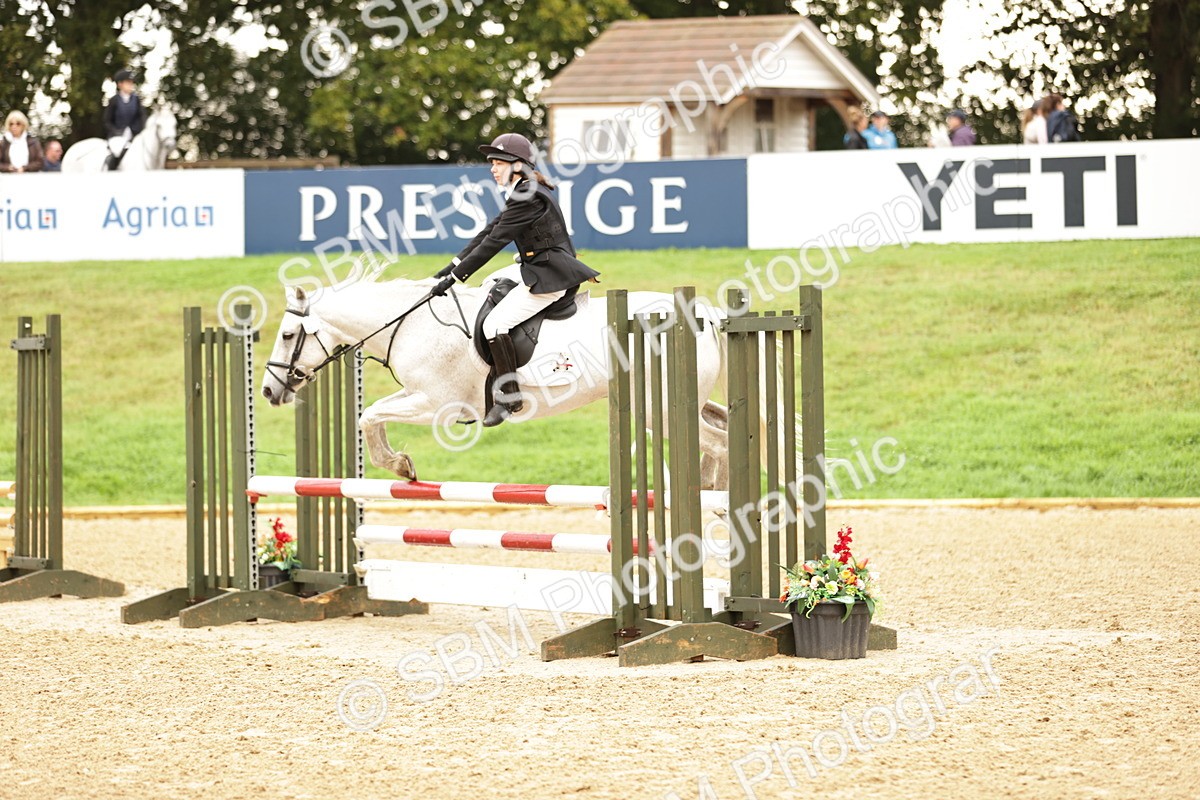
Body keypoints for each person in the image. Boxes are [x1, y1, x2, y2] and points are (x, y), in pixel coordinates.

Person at [430, 133, 600, 427]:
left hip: (551, 276)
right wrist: (452, 266)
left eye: (498, 162)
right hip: (537, 265)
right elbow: (489, 230)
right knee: (490, 285)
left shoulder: (528, 196)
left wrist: (456, 278)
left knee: (496, 324)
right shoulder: (523, 189)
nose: (493, 169)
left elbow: (495, 241)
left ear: (518, 165)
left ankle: (509, 397)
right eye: (492, 163)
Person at [103, 68, 146, 171]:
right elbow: (106, 121)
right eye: (128, 82)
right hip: (118, 136)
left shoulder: (136, 100)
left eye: (131, 83)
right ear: (120, 84)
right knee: (117, 151)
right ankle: (112, 171)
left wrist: (141, 130)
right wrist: (116, 131)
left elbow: (142, 117)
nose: (131, 85)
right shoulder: (114, 100)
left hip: (134, 135)